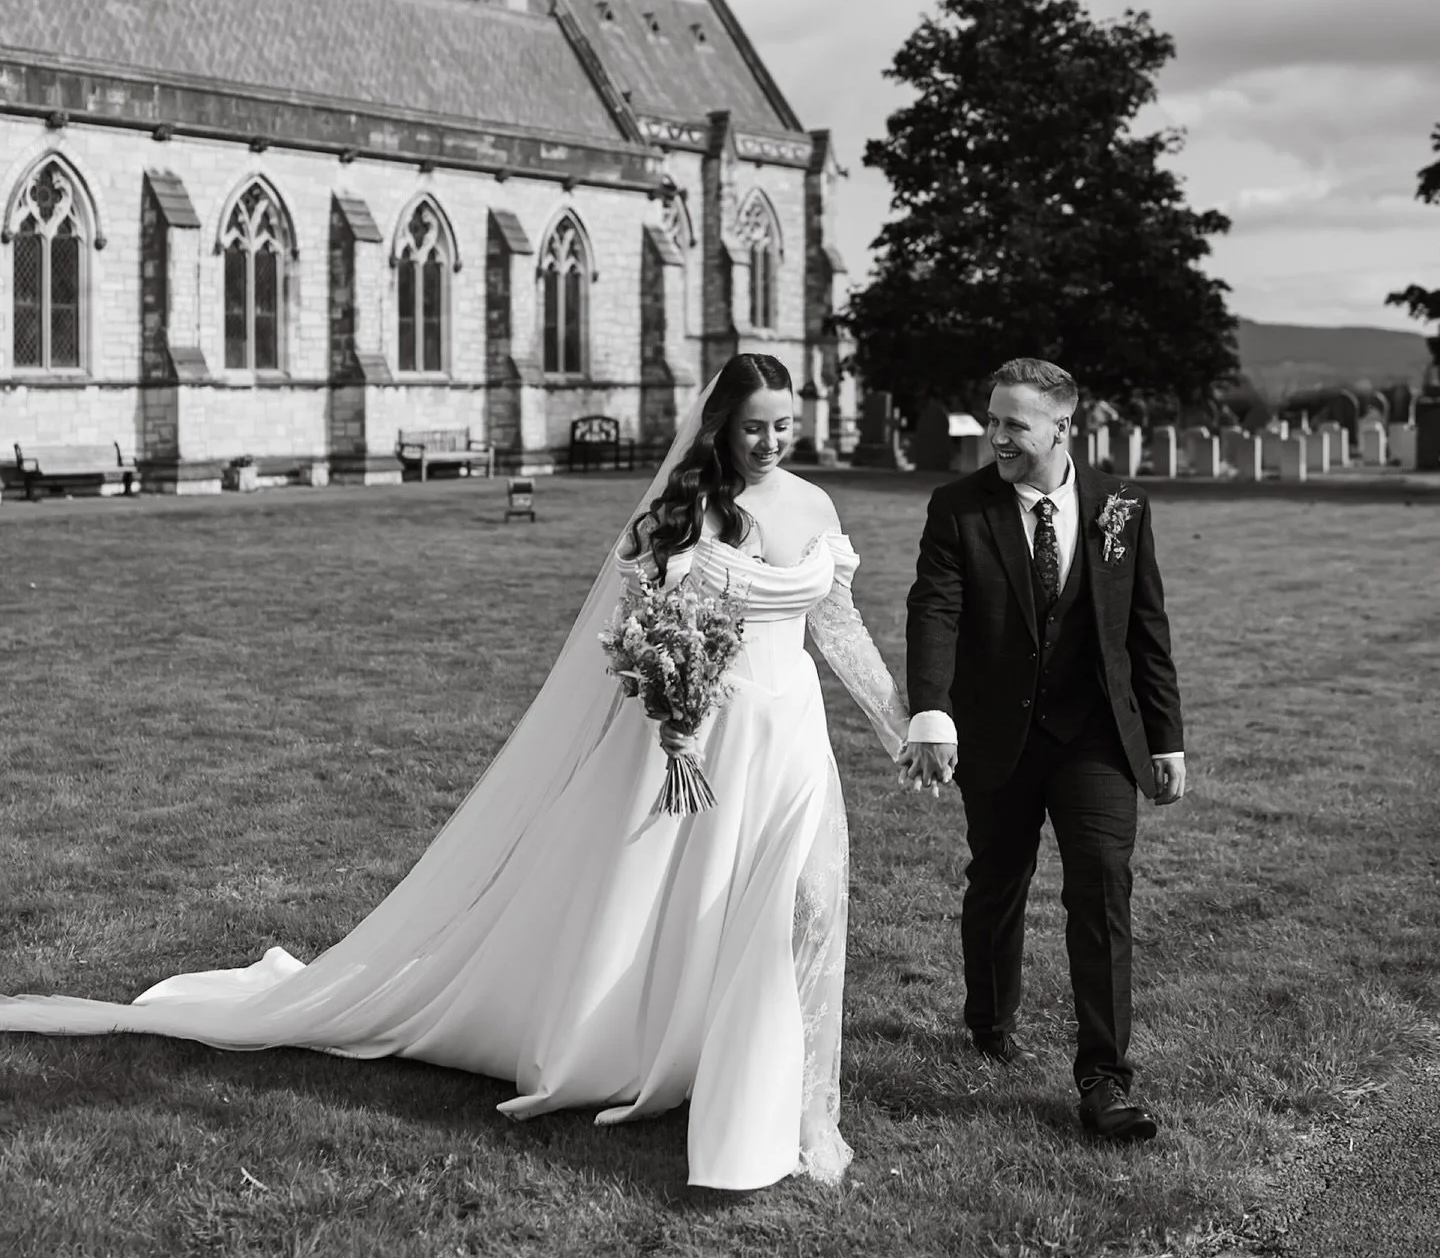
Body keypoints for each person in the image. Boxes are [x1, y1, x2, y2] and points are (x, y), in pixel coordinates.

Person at [0, 353, 909, 1191]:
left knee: (805, 901)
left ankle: (780, 1095)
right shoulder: (685, 509)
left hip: (789, 741)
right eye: (755, 425)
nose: (772, 440)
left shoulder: (816, 507)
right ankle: (670, 1054)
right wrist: (674, 718)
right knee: (686, 904)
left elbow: (839, 629)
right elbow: (641, 632)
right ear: (719, 425)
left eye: (783, 424)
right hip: (695, 745)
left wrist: (901, 725)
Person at [899, 357, 1185, 1142]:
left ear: (1064, 427)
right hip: (996, 732)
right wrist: (931, 711)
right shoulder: (958, 508)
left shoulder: (1122, 505)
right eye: (993, 420)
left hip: (1094, 736)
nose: (996, 436)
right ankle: (990, 1020)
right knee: (997, 882)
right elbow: (935, 611)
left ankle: (1106, 1079)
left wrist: (1166, 737)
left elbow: (1144, 629)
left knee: (1101, 891)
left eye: (1014, 425)